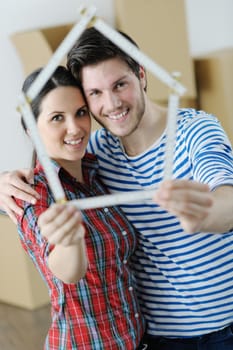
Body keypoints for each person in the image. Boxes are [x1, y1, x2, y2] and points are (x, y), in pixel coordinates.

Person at [1, 28, 233, 349]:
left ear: (141, 75)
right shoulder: (95, 152)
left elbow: (227, 198)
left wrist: (206, 212)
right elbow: (64, 263)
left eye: (119, 85)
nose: (111, 104)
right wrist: (5, 180)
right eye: (94, 93)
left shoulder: (196, 131)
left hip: (219, 332)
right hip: (154, 336)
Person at [12, 65, 145, 350]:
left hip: (135, 339)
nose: (75, 128)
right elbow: (66, 271)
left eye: (81, 113)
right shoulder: (34, 195)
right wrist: (69, 241)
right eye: (57, 118)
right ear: (31, 129)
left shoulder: (98, 173)